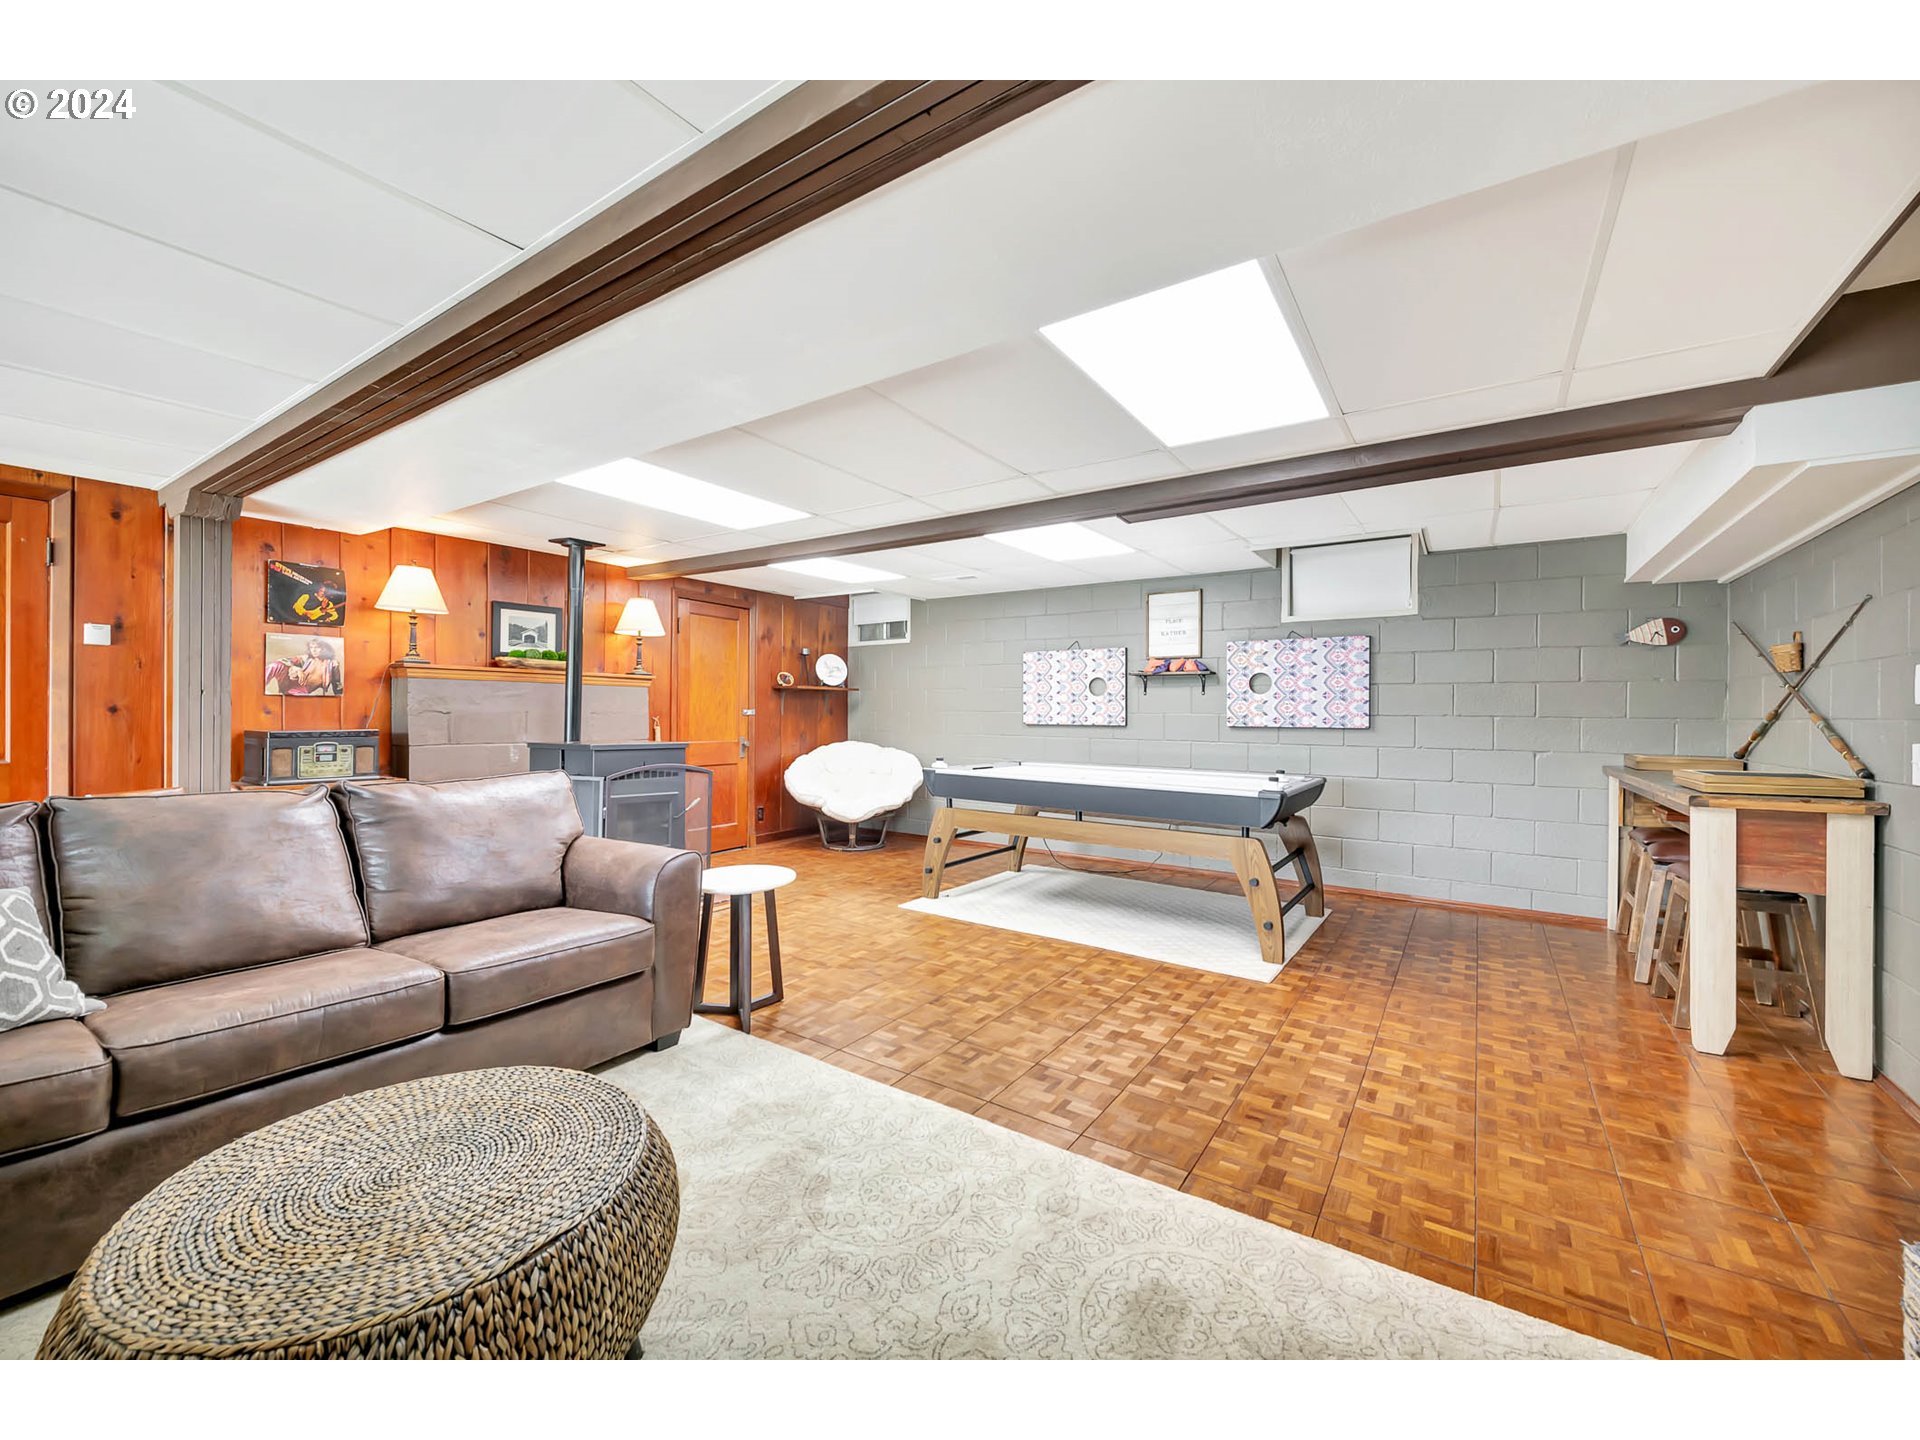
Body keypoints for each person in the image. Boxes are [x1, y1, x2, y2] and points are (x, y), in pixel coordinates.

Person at [267, 637, 341, 696]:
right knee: (276, 665)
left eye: (317, 647)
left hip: (301, 690)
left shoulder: (333, 664)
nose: (314, 650)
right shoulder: (306, 658)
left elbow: (337, 684)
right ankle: (259, 685)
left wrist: (340, 699)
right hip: (288, 682)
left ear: (324, 649)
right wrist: (297, 669)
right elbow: (282, 660)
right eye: (311, 647)